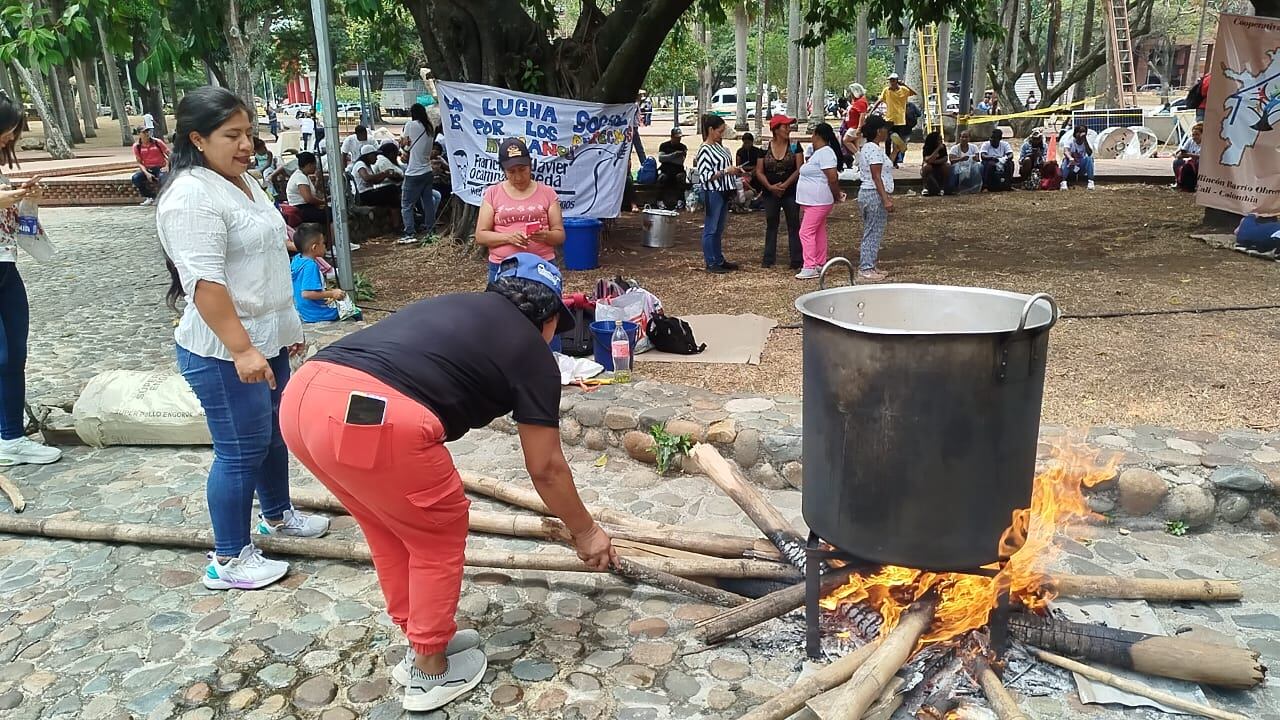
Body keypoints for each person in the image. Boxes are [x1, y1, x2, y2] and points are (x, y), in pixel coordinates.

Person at [280, 253, 616, 713]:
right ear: (551, 317)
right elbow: (547, 467)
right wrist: (587, 532)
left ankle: (419, 636)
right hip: (379, 417)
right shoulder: (534, 352)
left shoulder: (455, 304)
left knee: (388, 527)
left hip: (305, 398)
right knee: (437, 533)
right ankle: (429, 670)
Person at [157, 86, 330, 591]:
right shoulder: (191, 196)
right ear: (197, 138)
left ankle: (277, 514)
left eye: (249, 134)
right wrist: (241, 349)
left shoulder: (241, 182)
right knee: (239, 448)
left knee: (274, 435)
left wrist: (282, 334)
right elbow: (205, 283)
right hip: (222, 349)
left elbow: (266, 260)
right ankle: (229, 558)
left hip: (266, 337)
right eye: (231, 135)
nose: (245, 145)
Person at [0, 96, 61, 467]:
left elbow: (18, 227)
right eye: (6, 131)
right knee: (2, 355)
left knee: (15, 355)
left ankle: (11, 436)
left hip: (7, 267)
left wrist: (27, 202)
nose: (9, 139)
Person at [474, 138, 565, 284]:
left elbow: (559, 235)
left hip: (541, 265)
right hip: (502, 266)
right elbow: (481, 236)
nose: (518, 177)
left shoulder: (547, 193)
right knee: (501, 306)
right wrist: (509, 238)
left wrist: (545, 236)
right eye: (511, 172)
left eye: (522, 170)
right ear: (503, 170)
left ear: (530, 166)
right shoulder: (493, 193)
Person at [794, 123, 845, 280]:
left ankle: (809, 265)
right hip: (812, 201)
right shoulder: (819, 153)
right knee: (818, 231)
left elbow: (832, 177)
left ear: (817, 135)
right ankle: (819, 262)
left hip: (819, 201)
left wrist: (836, 194)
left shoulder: (826, 153)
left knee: (805, 232)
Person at [693, 114, 742, 274]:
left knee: (718, 228)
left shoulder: (719, 147)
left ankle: (718, 259)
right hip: (713, 191)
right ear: (710, 130)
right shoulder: (705, 150)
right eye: (719, 131)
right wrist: (725, 171)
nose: (721, 134)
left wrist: (733, 171)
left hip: (723, 190)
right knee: (711, 228)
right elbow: (705, 175)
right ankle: (711, 261)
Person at [755, 114, 803, 269]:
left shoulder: (795, 145)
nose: (788, 129)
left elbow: (800, 168)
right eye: (785, 126)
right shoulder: (764, 147)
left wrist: (785, 185)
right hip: (770, 192)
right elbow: (759, 171)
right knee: (771, 223)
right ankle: (768, 259)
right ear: (775, 130)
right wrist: (770, 187)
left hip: (790, 191)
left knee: (793, 224)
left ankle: (796, 259)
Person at [856, 116, 895, 282]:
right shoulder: (872, 149)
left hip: (871, 193)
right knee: (872, 232)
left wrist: (897, 150)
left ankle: (870, 264)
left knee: (874, 231)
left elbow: (885, 168)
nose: (887, 132)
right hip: (873, 193)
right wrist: (885, 198)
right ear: (879, 131)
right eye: (885, 129)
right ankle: (866, 267)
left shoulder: (873, 149)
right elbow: (876, 176)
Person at [398, 103, 436, 245]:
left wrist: (402, 146)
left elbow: (405, 144)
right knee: (428, 202)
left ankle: (409, 232)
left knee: (406, 204)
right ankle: (431, 230)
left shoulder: (410, 125)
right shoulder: (430, 127)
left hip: (413, 172)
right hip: (427, 170)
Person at [290, 224, 344, 323]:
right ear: (314, 247)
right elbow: (307, 294)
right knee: (351, 312)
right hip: (314, 313)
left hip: (303, 310)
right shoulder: (310, 265)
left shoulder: (297, 259)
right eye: (323, 243)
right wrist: (332, 293)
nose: (325, 246)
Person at [871, 73, 916, 167]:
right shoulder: (886, 90)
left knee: (897, 142)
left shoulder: (903, 90)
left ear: (897, 81)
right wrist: (871, 111)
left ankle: (894, 161)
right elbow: (879, 101)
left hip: (900, 120)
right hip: (889, 119)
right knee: (888, 140)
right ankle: (887, 159)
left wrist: (904, 85)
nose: (891, 82)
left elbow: (913, 93)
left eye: (893, 80)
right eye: (890, 81)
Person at [286, 152, 332, 224]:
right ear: (309, 165)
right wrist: (323, 202)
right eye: (314, 165)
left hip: (305, 207)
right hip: (302, 209)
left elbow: (314, 193)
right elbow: (308, 199)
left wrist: (318, 180)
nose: (315, 167)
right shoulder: (300, 177)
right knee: (332, 213)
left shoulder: (304, 176)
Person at [132, 127, 170, 206]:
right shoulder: (137, 146)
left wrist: (167, 166)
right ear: (139, 134)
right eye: (144, 132)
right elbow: (139, 162)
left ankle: (162, 198)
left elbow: (170, 155)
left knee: (163, 178)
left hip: (160, 167)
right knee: (136, 178)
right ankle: (150, 197)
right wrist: (146, 173)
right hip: (148, 168)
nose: (147, 134)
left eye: (148, 132)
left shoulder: (157, 142)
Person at [656, 127, 688, 210]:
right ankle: (659, 200)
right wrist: (674, 155)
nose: (678, 140)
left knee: (681, 177)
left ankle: (680, 200)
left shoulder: (683, 147)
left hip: (678, 170)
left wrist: (668, 158)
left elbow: (680, 161)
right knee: (661, 178)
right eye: (677, 137)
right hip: (666, 170)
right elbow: (661, 158)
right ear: (672, 136)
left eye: (679, 138)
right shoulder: (664, 146)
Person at [947, 130, 983, 194]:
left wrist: (975, 159)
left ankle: (978, 186)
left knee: (980, 166)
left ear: (969, 138)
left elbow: (978, 159)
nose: (964, 139)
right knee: (954, 168)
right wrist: (961, 159)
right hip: (959, 166)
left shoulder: (974, 147)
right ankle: (952, 187)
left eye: (966, 137)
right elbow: (951, 160)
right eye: (962, 137)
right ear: (959, 138)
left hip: (971, 166)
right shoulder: (954, 148)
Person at [1060, 125, 1095, 190]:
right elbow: (1066, 151)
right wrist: (1070, 158)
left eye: (1084, 132)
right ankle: (1063, 181)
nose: (1082, 134)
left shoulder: (1087, 142)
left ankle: (1091, 181)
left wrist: (1085, 141)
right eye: (1080, 132)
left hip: (1081, 166)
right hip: (1072, 165)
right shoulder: (1070, 141)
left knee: (1089, 159)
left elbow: (1090, 153)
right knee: (1065, 160)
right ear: (1075, 133)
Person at [735, 132, 765, 205]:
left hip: (755, 171)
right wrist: (744, 171)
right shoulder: (740, 152)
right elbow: (738, 166)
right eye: (745, 143)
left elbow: (759, 165)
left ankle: (758, 195)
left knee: (759, 175)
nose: (746, 145)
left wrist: (751, 172)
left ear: (752, 142)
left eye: (748, 143)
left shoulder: (757, 151)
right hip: (743, 172)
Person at [919, 131, 951, 196]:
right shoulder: (927, 147)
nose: (941, 141)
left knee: (946, 166)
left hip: (939, 164)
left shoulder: (943, 147)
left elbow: (945, 158)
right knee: (927, 166)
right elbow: (927, 159)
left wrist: (934, 161)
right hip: (929, 165)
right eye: (939, 139)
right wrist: (937, 149)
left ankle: (943, 187)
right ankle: (925, 187)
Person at [1173, 122, 1202, 192]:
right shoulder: (1190, 140)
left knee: (1195, 164)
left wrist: (1189, 155)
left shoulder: (1206, 143)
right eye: (1193, 135)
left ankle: (1191, 185)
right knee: (1177, 162)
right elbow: (1183, 150)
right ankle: (1178, 182)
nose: (1195, 137)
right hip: (1189, 161)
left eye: (1197, 135)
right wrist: (1179, 154)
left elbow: (1203, 156)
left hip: (1200, 162)